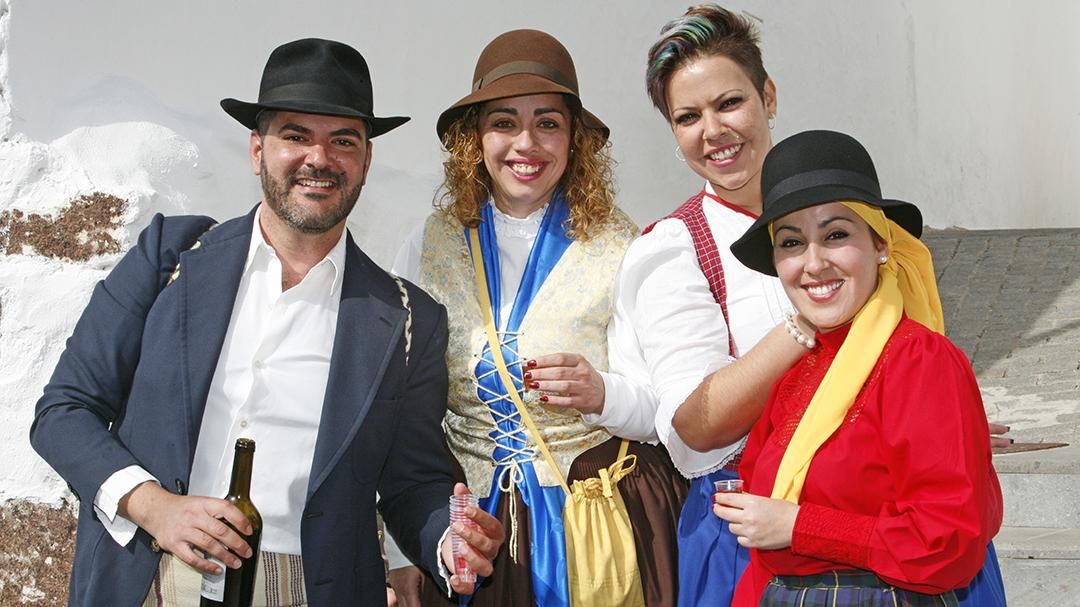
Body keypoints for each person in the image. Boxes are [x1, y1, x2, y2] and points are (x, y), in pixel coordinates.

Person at [30, 38, 502, 607]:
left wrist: (449, 542)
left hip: (309, 587)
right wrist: (153, 505)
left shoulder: (408, 320)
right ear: (257, 150)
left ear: (366, 162)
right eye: (295, 136)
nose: (319, 158)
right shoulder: (169, 258)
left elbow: (413, 480)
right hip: (148, 575)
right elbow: (63, 410)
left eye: (343, 141)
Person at [583, 5, 1007, 606]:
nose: (713, 130)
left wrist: (932, 427)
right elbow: (697, 426)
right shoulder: (674, 250)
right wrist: (806, 322)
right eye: (687, 117)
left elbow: (938, 509)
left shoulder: (869, 255)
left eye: (729, 103)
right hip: (757, 532)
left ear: (768, 97)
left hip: (898, 542)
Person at [387, 29, 687, 607]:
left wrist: (603, 392)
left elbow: (665, 412)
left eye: (548, 122)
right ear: (475, 138)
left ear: (574, 139)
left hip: (593, 524)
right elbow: (400, 416)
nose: (526, 143)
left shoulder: (625, 246)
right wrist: (404, 551)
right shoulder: (425, 246)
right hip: (467, 536)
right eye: (504, 122)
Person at [714, 129, 1003, 605]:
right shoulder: (797, 370)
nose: (813, 263)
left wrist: (799, 525)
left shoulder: (920, 361)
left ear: (881, 244)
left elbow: (949, 541)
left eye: (835, 235)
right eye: (790, 242)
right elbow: (765, 540)